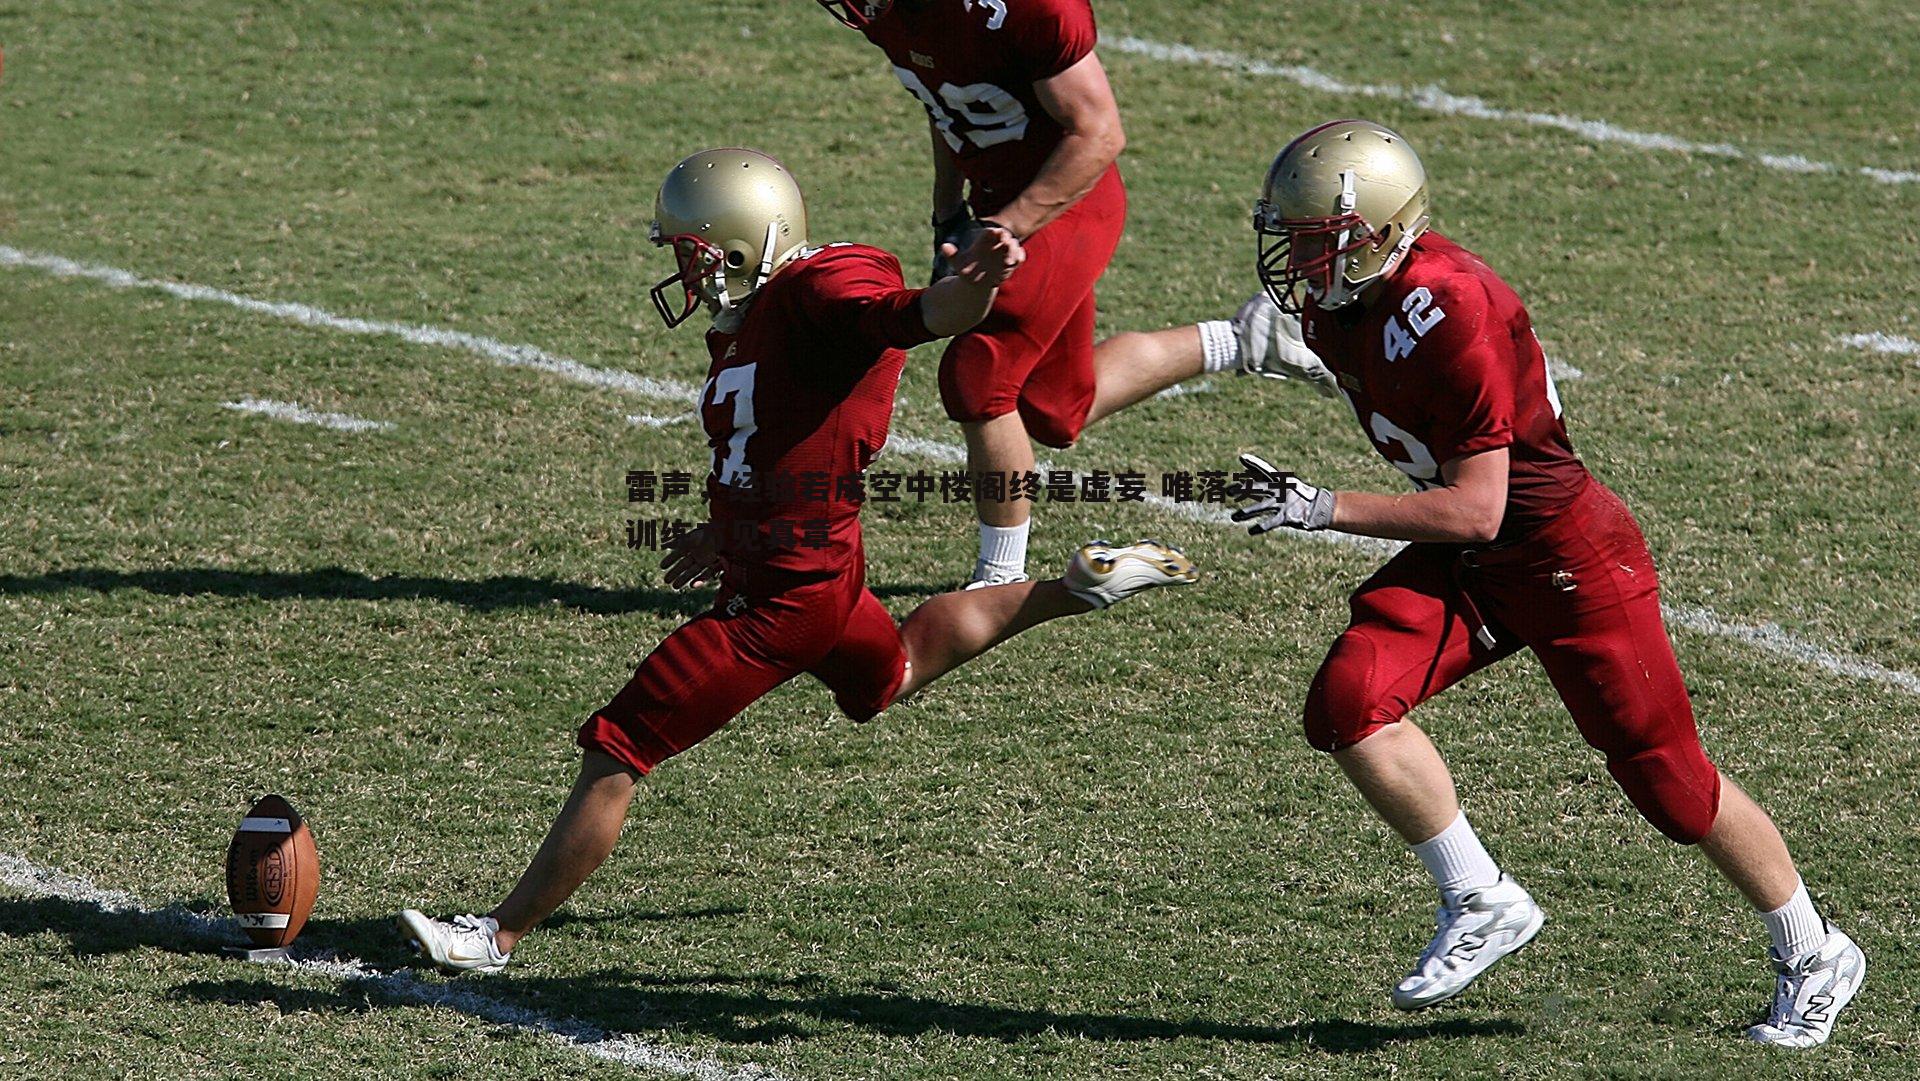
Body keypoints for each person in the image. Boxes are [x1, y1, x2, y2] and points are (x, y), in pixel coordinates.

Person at [397, 148, 1197, 972]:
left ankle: (495, 934)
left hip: (777, 604)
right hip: (823, 571)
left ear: (747, 243)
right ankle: (1077, 587)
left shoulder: (821, 290)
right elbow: (780, 434)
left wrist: (974, 287)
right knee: (891, 675)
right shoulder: (763, 315)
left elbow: (916, 314)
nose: (684, 267)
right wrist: (726, 524)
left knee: (620, 745)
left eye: (694, 251)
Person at [1229, 120, 1863, 1048]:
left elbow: (1478, 508)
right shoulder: (1339, 301)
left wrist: (1322, 507)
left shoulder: (1454, 307)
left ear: (1379, 233)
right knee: (1350, 699)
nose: (1298, 257)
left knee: (1669, 783)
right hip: (1482, 561)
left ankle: (1815, 949)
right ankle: (1480, 896)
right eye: (1291, 233)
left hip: (1561, 552)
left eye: (1316, 238)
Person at [817, 0, 1326, 588]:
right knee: (1058, 409)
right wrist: (948, 210)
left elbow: (1100, 132)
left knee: (977, 376)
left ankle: (1000, 576)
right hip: (998, 206)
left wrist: (1009, 224)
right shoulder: (892, 15)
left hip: (1068, 205)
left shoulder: (1025, 9)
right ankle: (1250, 339)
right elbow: (948, 106)